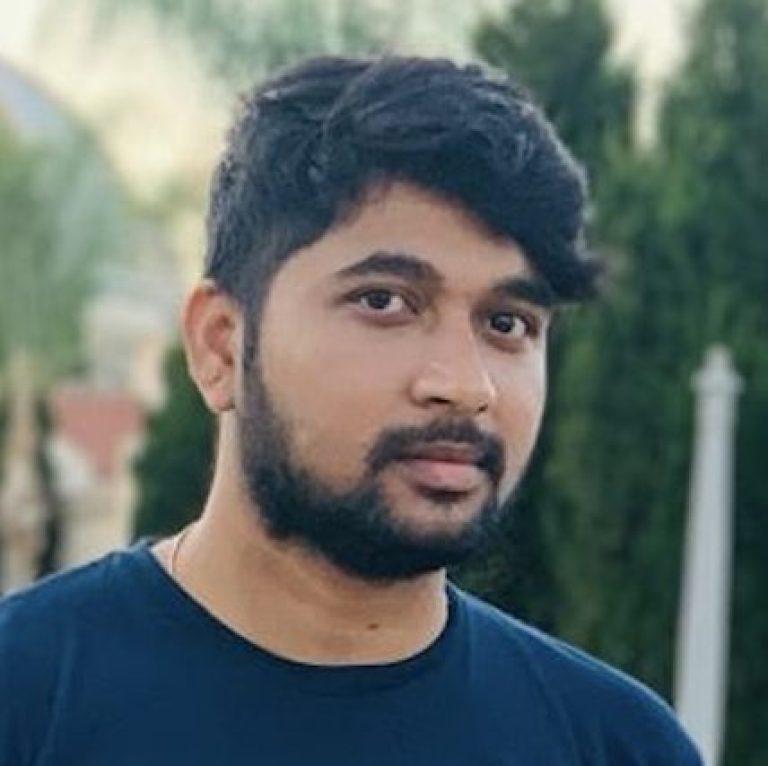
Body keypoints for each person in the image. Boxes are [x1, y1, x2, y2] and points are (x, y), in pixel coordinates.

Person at [0, 55, 701, 765]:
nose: (466, 385)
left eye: (507, 322)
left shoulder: (619, 746)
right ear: (220, 345)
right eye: (385, 301)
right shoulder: (27, 699)